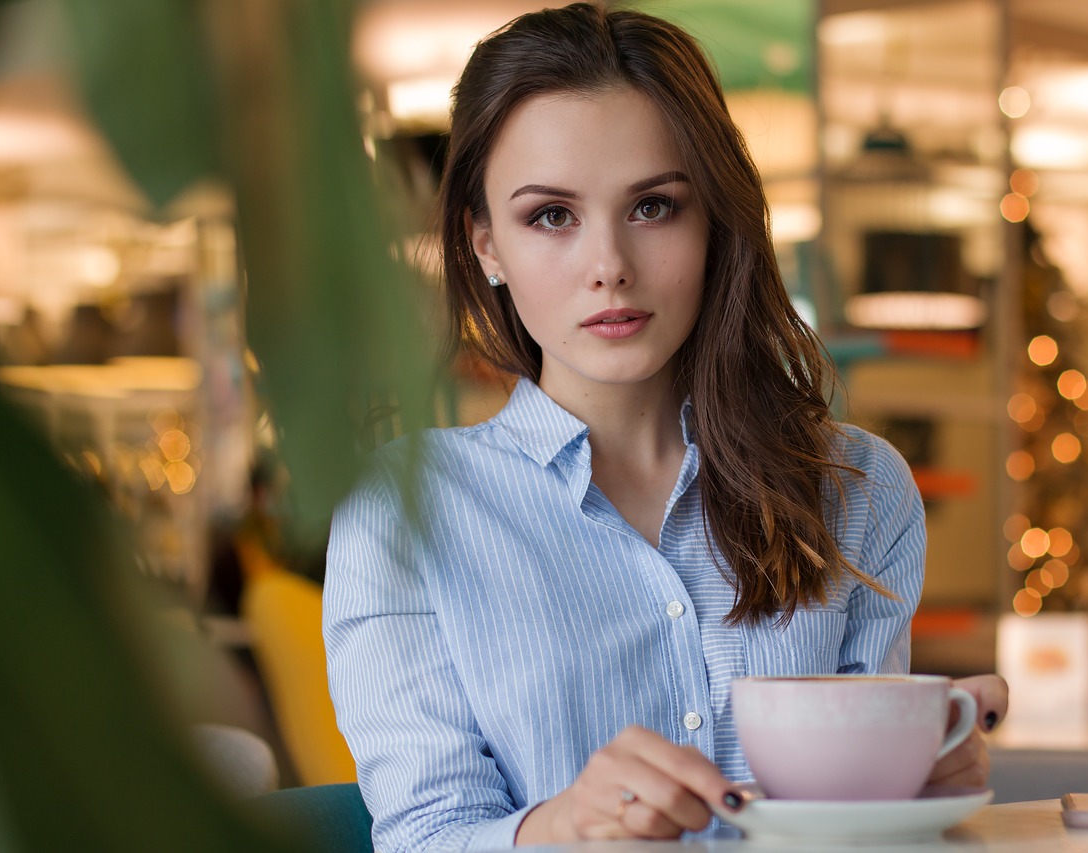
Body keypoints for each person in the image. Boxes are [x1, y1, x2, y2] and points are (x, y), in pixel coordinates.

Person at [323, 4, 1007, 851]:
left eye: (653, 207)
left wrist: (912, 779)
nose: (609, 264)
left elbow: (851, 831)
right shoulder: (402, 515)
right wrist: (568, 824)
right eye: (550, 215)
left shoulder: (856, 489)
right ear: (485, 243)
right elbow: (425, 835)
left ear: (715, 220)